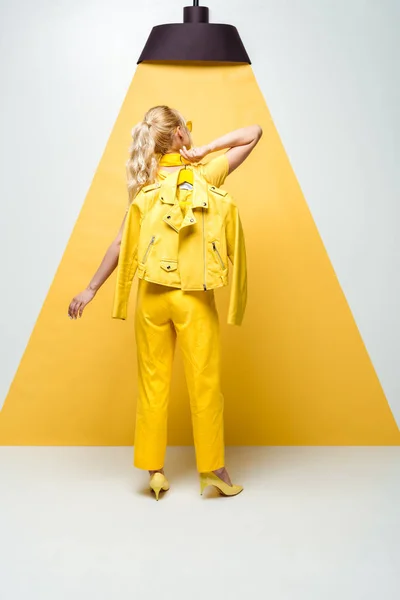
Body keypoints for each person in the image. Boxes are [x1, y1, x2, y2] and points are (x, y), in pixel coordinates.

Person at [68, 105, 262, 499]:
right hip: (193, 300)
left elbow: (121, 244)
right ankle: (214, 471)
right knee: (204, 384)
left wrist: (90, 289)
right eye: (186, 128)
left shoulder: (145, 186)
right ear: (178, 136)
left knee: (152, 385)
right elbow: (253, 132)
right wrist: (204, 148)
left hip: (151, 299)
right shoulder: (206, 174)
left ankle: (155, 473)